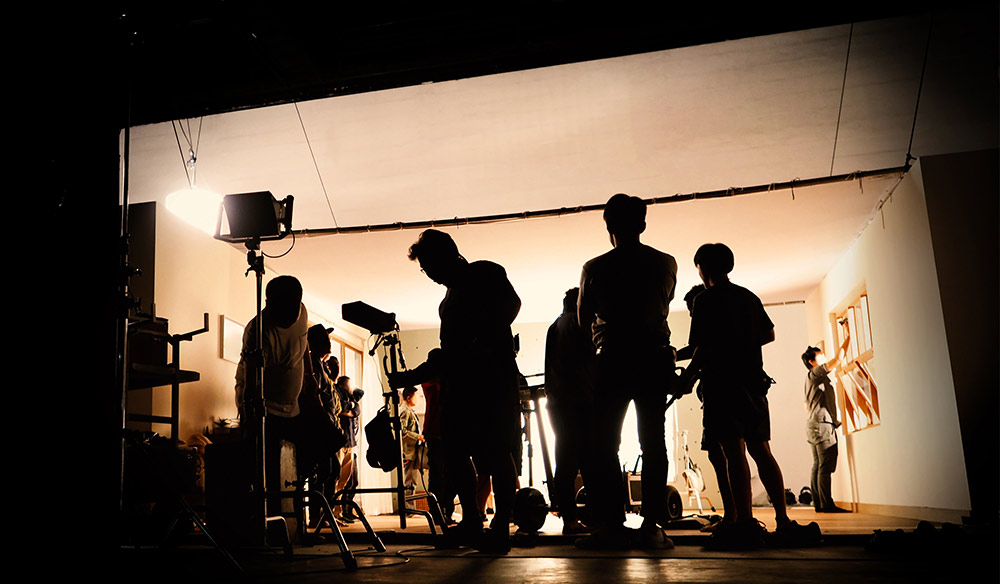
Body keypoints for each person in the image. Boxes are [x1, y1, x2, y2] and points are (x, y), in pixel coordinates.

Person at [389, 229, 522, 552]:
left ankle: (501, 526)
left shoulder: (484, 272)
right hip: (461, 386)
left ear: (447, 255)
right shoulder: (448, 298)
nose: (430, 274)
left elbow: (512, 305)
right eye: (425, 269)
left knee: (496, 453)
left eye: (430, 266)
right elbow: (448, 353)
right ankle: (473, 523)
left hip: (490, 383)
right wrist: (418, 372)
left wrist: (482, 343)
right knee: (458, 453)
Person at [687, 243, 819, 549]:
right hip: (754, 385)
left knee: (734, 453)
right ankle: (783, 521)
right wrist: (743, 343)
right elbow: (769, 334)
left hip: (723, 387)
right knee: (762, 451)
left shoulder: (705, 300)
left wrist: (687, 378)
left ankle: (745, 523)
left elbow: (702, 349)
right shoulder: (748, 296)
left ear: (703, 268)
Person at [576, 193, 677, 550]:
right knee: (653, 441)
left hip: (614, 358)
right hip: (652, 357)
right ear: (643, 225)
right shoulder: (667, 264)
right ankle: (651, 525)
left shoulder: (595, 268)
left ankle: (611, 523)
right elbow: (663, 305)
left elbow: (583, 318)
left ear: (609, 229)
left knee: (605, 443)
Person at [235, 276, 335, 517]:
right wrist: (249, 420)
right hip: (265, 407)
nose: (289, 313)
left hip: (297, 404)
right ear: (269, 303)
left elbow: (303, 346)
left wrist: (310, 377)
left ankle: (299, 524)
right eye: (280, 307)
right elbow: (251, 383)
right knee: (272, 472)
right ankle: (273, 525)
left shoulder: (301, 313)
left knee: (325, 452)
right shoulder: (258, 331)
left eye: (291, 306)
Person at [676, 284, 736, 532]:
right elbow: (697, 351)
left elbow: (699, 352)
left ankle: (733, 517)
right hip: (722, 393)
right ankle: (735, 515)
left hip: (719, 396)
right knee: (724, 454)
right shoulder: (727, 322)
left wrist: (686, 378)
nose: (693, 316)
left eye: (692, 310)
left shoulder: (710, 322)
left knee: (721, 453)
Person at [544, 287, 596, 536]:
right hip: (579, 402)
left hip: (558, 403)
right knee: (586, 461)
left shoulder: (555, 327)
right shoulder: (578, 324)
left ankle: (571, 519)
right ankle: (578, 521)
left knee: (565, 460)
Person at [802, 334, 852, 514]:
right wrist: (848, 335)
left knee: (818, 465)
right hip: (821, 425)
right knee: (824, 466)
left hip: (814, 424)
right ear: (811, 361)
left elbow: (807, 405)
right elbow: (838, 359)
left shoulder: (811, 378)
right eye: (820, 356)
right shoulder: (816, 373)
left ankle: (820, 504)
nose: (824, 358)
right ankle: (827, 504)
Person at [400, 386, 426, 508]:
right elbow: (402, 431)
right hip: (408, 451)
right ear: (409, 397)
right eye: (415, 396)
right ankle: (409, 508)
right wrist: (418, 437)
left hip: (411, 451)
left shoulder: (409, 410)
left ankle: (410, 507)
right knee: (409, 481)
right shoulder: (405, 411)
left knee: (412, 480)